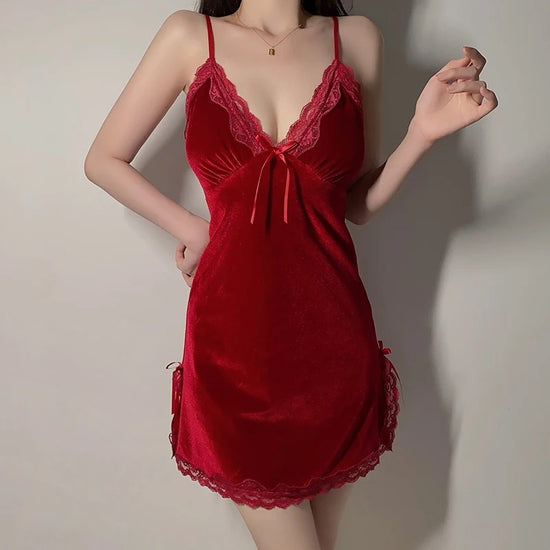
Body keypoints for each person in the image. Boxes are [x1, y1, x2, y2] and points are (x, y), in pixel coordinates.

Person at [83, 1, 498, 549]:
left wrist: (421, 133)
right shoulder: (189, 35)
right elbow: (103, 160)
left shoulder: (356, 38)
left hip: (335, 348)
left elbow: (354, 203)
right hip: (234, 357)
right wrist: (200, 232)